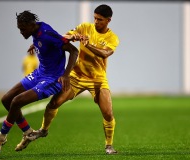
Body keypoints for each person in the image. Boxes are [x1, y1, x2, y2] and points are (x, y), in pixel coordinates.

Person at [0, 10, 78, 151]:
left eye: (23, 29)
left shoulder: (46, 34)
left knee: (16, 101)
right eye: (19, 29)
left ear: (31, 25)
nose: (21, 32)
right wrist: (36, 44)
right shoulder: (36, 31)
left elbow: (74, 51)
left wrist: (66, 75)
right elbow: (47, 40)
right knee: (6, 99)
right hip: (40, 73)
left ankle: (2, 135)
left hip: (52, 79)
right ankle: (27, 132)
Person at [27, 4, 120, 154]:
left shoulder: (112, 37)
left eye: (100, 20)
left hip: (98, 79)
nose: (96, 21)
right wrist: (68, 37)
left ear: (108, 20)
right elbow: (64, 38)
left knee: (108, 113)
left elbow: (104, 53)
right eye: (95, 18)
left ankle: (109, 146)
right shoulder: (85, 27)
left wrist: (87, 44)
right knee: (54, 102)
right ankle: (43, 130)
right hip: (77, 76)